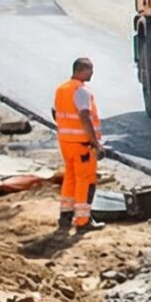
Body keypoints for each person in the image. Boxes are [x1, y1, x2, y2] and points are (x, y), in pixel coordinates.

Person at [53, 56, 100, 234]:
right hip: (82, 144)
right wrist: (95, 143)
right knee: (85, 181)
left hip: (66, 142)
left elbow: (55, 112)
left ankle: (65, 217)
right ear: (81, 70)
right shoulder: (81, 91)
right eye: (90, 70)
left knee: (70, 177)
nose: (92, 73)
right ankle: (83, 221)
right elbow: (85, 117)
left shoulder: (61, 89)